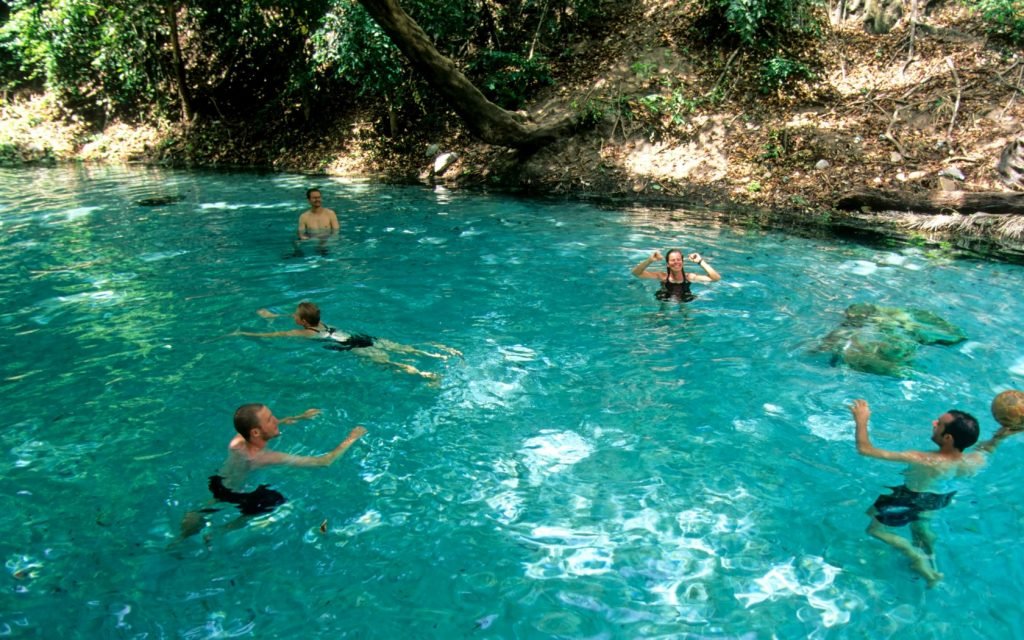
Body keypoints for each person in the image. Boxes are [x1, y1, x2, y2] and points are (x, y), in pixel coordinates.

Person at [849, 398, 987, 587]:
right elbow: (988, 447)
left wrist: (861, 419)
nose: (934, 423)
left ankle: (918, 559)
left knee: (874, 529)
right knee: (920, 526)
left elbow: (865, 450)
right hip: (938, 498)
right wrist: (1002, 433)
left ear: (948, 438)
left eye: (939, 424)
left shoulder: (921, 458)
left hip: (908, 499)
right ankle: (933, 561)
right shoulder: (974, 460)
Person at [181, 404, 366, 537]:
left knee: (210, 504)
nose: (276, 420)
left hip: (218, 483)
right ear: (255, 432)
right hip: (243, 495)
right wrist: (352, 437)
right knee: (275, 499)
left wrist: (300, 417)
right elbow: (325, 462)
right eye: (270, 420)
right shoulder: (263, 457)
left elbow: (264, 429)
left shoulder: (237, 441)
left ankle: (185, 531)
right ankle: (220, 532)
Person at [237, 302, 461, 380]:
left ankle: (425, 375)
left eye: (295, 316)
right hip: (361, 337)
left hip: (351, 346)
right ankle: (437, 354)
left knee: (391, 364)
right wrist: (274, 316)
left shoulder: (305, 333)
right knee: (406, 349)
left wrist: (247, 334)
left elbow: (275, 336)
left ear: (303, 322)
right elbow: (298, 317)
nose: (292, 317)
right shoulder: (321, 321)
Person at [631, 249, 721, 302]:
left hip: (684, 299)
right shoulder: (662, 276)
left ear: (682, 262)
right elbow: (636, 273)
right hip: (664, 300)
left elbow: (716, 278)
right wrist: (650, 260)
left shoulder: (689, 277)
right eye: (673, 260)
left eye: (678, 259)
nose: (676, 262)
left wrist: (700, 261)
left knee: (686, 316)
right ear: (667, 264)